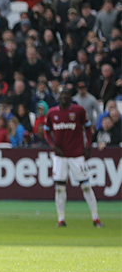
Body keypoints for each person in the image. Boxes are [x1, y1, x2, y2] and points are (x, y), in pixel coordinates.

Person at [44, 88, 104, 228]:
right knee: (59, 188)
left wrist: (88, 146)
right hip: (60, 156)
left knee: (86, 186)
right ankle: (61, 219)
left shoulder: (78, 111)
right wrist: (53, 146)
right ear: (58, 97)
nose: (64, 97)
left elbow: (88, 128)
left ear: (70, 97)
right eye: (61, 95)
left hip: (77, 155)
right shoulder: (52, 113)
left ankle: (96, 218)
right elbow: (46, 132)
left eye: (66, 95)